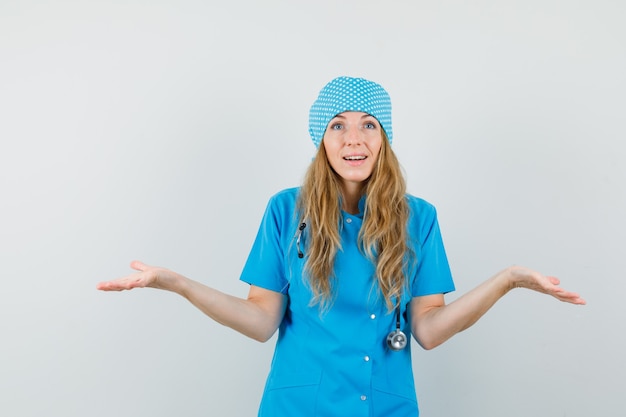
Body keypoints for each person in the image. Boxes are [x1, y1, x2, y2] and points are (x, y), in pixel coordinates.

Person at [97, 76, 585, 417]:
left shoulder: (419, 218)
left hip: (384, 405)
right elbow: (260, 320)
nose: (354, 138)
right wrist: (175, 282)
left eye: (368, 124)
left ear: (384, 138)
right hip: (297, 408)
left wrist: (508, 280)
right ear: (322, 140)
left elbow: (429, 331)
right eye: (338, 125)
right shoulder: (286, 211)